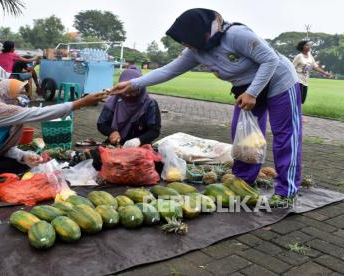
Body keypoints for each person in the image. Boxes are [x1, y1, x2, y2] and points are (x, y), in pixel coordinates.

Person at [112, 8, 302, 207]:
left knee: (284, 137)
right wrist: (134, 84)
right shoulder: (195, 51)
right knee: (245, 139)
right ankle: (244, 182)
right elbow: (168, 70)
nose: (185, 45)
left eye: (187, 40)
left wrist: (253, 93)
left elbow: (270, 59)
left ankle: (286, 192)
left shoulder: (236, 35)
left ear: (199, 32)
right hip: (246, 88)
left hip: (278, 81)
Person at [0, 79, 107, 194]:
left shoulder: (13, 119)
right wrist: (80, 103)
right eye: (20, 93)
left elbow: (4, 148)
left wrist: (23, 155)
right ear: (7, 94)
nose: (23, 97)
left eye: (24, 92)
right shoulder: (0, 110)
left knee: (20, 163)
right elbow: (41, 113)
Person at [97, 68, 161, 147]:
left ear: (140, 88)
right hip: (116, 144)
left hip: (140, 146)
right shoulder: (113, 102)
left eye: (132, 92)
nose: (127, 95)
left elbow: (154, 130)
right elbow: (101, 124)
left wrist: (138, 140)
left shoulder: (150, 104)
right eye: (124, 92)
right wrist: (111, 132)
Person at [293, 40, 333, 121]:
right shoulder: (299, 57)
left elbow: (315, 67)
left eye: (309, 45)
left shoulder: (310, 56)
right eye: (307, 45)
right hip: (298, 79)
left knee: (302, 100)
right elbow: (292, 68)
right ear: (302, 47)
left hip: (305, 80)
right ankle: (298, 116)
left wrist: (326, 73)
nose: (309, 47)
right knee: (298, 99)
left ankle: (295, 115)